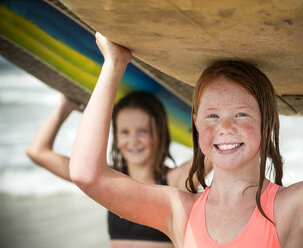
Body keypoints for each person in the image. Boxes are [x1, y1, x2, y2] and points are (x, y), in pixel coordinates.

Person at [69, 5, 303, 247]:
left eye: (241, 114)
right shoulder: (180, 211)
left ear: (267, 123)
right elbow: (86, 174)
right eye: (212, 116)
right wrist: (115, 63)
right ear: (197, 125)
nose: (225, 127)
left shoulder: (291, 208)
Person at [27, 91, 210, 248]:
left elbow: (211, 150)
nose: (133, 141)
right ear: (115, 137)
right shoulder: (106, 179)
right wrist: (66, 106)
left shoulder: (175, 181)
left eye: (143, 131)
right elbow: (38, 151)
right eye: (125, 132)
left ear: (159, 133)